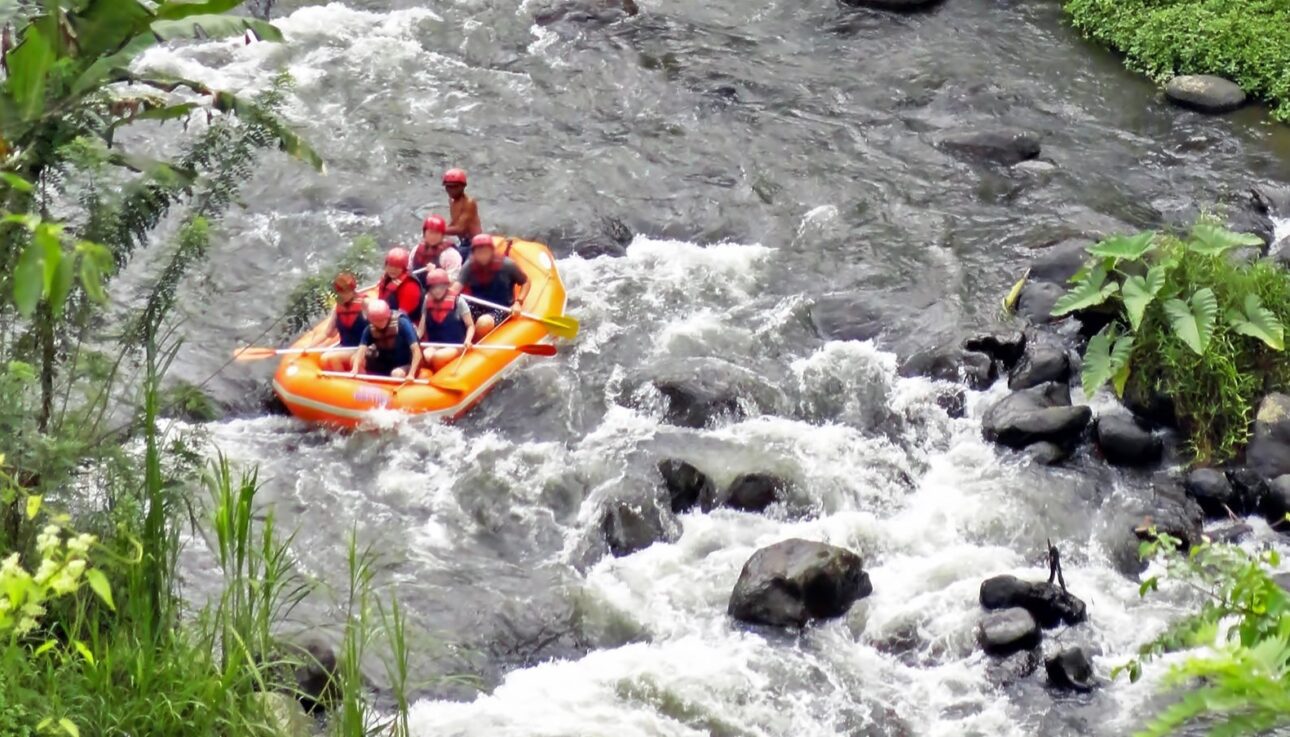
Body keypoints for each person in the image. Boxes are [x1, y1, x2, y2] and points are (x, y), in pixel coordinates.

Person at [449, 233, 530, 338]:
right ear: (473, 253)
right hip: (477, 305)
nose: (482, 255)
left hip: (501, 307)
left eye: (485, 252)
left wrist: (518, 302)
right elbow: (456, 287)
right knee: (453, 316)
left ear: (492, 251)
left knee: (483, 323)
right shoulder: (469, 266)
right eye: (479, 252)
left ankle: (472, 341)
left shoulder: (507, 265)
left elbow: (526, 282)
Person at [417, 269, 476, 372]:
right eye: (433, 287)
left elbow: (470, 325)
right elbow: (421, 329)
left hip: (455, 345)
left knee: (438, 357)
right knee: (425, 356)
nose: (437, 290)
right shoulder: (427, 301)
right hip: (435, 344)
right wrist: (413, 341)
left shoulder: (458, 301)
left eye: (440, 286)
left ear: (446, 286)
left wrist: (468, 340)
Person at [351, 299, 423, 379]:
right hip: (385, 362)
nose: (379, 323)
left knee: (396, 373)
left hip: (405, 363)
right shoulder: (369, 329)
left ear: (387, 316)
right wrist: (355, 369)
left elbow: (416, 351)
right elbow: (361, 350)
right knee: (354, 359)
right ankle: (365, 385)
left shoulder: (402, 324)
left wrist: (411, 374)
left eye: (381, 320)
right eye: (376, 321)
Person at [315, 272, 368, 372]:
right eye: (339, 292)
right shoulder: (337, 307)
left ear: (352, 291)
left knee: (327, 358)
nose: (341, 295)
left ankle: (348, 383)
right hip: (346, 346)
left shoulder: (365, 304)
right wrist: (309, 347)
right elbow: (328, 333)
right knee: (323, 355)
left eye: (345, 292)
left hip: (362, 347)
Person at [410, 214, 462, 286]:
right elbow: (409, 270)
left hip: (440, 292)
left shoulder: (451, 255)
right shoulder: (416, 250)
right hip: (419, 287)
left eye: (437, 233)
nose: (433, 237)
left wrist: (435, 273)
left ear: (442, 235)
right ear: (424, 233)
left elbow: (453, 281)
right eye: (431, 232)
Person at [442, 168, 482, 261]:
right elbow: (453, 224)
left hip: (474, 244)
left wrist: (438, 229)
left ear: (463, 186)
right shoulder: (452, 201)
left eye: (455, 187)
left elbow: (460, 229)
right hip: (463, 243)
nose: (451, 190)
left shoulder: (469, 203)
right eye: (448, 187)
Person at [378, 246, 424, 325]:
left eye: (397, 267)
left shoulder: (410, 286)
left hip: (407, 325)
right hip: (386, 319)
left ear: (404, 268)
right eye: (390, 266)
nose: (392, 270)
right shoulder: (386, 279)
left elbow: (402, 314)